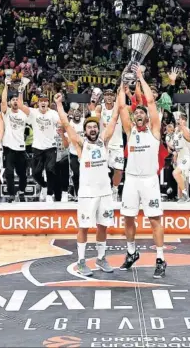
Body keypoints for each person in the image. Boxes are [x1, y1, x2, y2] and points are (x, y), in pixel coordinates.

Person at [55, 89, 122, 275]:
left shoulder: (104, 141)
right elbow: (67, 125)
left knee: (103, 226)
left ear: (98, 129)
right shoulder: (80, 144)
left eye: (95, 127)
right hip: (86, 194)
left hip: (105, 193)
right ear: (85, 130)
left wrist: (120, 95)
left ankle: (100, 259)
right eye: (89, 127)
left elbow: (115, 116)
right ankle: (81, 261)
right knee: (83, 227)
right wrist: (59, 105)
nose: (93, 129)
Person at [118, 67, 167, 278]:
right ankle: (131, 252)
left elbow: (152, 103)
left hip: (149, 180)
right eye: (136, 112)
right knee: (128, 218)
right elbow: (121, 107)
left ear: (147, 118)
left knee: (154, 219)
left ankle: (160, 258)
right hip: (131, 181)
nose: (138, 113)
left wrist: (141, 78)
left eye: (141, 112)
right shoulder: (129, 131)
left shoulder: (154, 130)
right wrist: (122, 83)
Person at [25, 92, 60, 202]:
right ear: (38, 103)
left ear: (48, 103)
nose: (43, 102)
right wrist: (21, 91)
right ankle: (44, 186)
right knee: (35, 173)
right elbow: (21, 106)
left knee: (50, 170)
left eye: (45, 100)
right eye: (41, 101)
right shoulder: (33, 112)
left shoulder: (53, 113)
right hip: (37, 147)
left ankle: (50, 194)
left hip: (51, 147)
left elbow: (59, 122)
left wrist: (60, 126)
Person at [1, 77, 30, 202]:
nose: (15, 102)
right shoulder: (7, 112)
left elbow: (22, 103)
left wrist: (20, 92)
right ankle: (12, 194)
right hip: (8, 148)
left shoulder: (24, 114)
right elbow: (2, 101)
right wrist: (6, 86)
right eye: (12, 100)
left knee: (22, 174)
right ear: (10, 103)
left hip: (20, 148)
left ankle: (22, 191)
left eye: (16, 100)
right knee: (8, 173)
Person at [93, 89, 125, 201]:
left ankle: (115, 190)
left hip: (117, 144)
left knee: (119, 170)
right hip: (104, 143)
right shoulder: (100, 107)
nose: (109, 97)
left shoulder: (119, 107)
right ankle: (102, 191)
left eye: (111, 95)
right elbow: (94, 118)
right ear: (104, 97)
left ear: (115, 96)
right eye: (107, 94)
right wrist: (98, 118)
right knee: (101, 169)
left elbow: (130, 110)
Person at [170, 112, 190, 202]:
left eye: (180, 119)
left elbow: (188, 138)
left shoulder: (186, 130)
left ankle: (185, 195)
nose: (178, 120)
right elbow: (175, 147)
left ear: (184, 120)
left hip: (187, 157)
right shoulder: (176, 131)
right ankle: (182, 197)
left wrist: (182, 125)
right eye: (177, 119)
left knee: (175, 173)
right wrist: (174, 155)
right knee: (180, 178)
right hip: (180, 156)